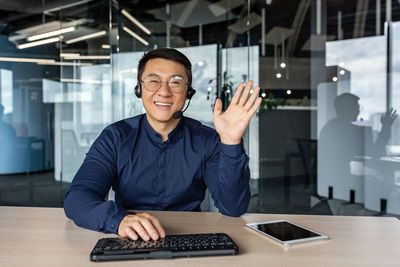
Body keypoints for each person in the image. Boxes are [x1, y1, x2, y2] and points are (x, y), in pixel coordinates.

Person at [64, 48, 261, 242]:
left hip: (190, 239)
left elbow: (233, 207)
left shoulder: (207, 140)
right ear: (139, 90)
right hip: (130, 236)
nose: (164, 92)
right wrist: (118, 221)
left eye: (176, 82)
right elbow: (78, 198)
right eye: (153, 81)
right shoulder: (115, 137)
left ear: (188, 92)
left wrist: (231, 143)